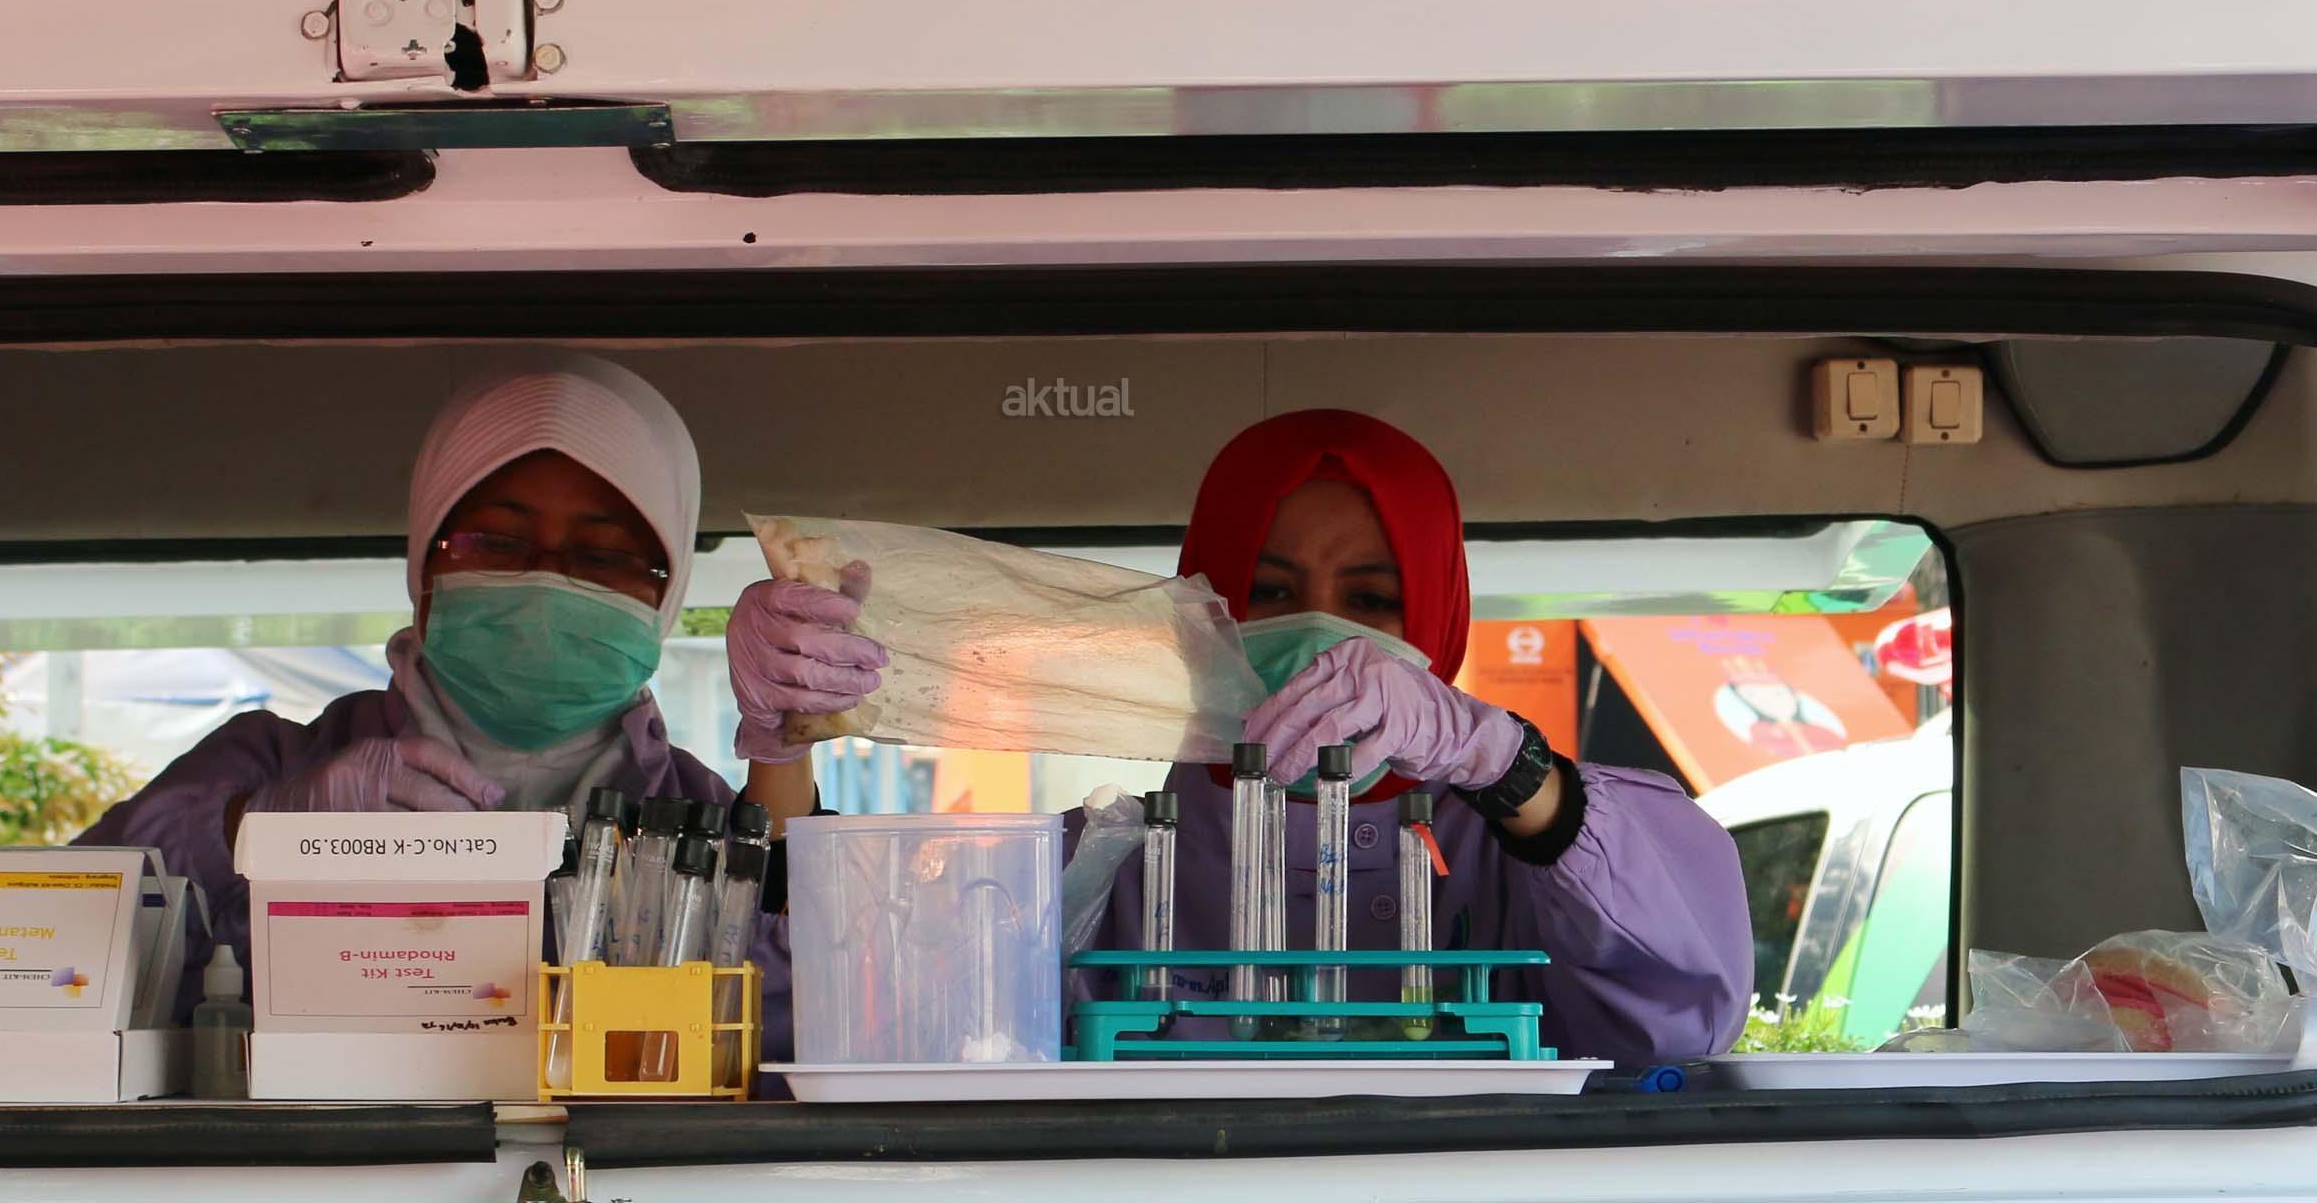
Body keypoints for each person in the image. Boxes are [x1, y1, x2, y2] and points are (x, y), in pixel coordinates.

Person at [727, 408, 1753, 1067]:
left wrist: (1508, 764)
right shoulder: (1106, 866)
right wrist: (783, 751)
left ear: (1440, 619)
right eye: (1268, 590)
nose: (1319, 634)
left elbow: (1684, 1017)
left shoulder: (1517, 861)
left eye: (1372, 599)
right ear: (1198, 615)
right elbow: (803, 1025)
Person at [80, 355, 809, 1044]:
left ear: (666, 593)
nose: (545, 582)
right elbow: (57, 947)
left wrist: (785, 751)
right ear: (423, 562)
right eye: (498, 540)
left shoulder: (706, 817)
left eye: (604, 556)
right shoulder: (268, 766)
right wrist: (252, 830)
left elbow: (795, 1036)